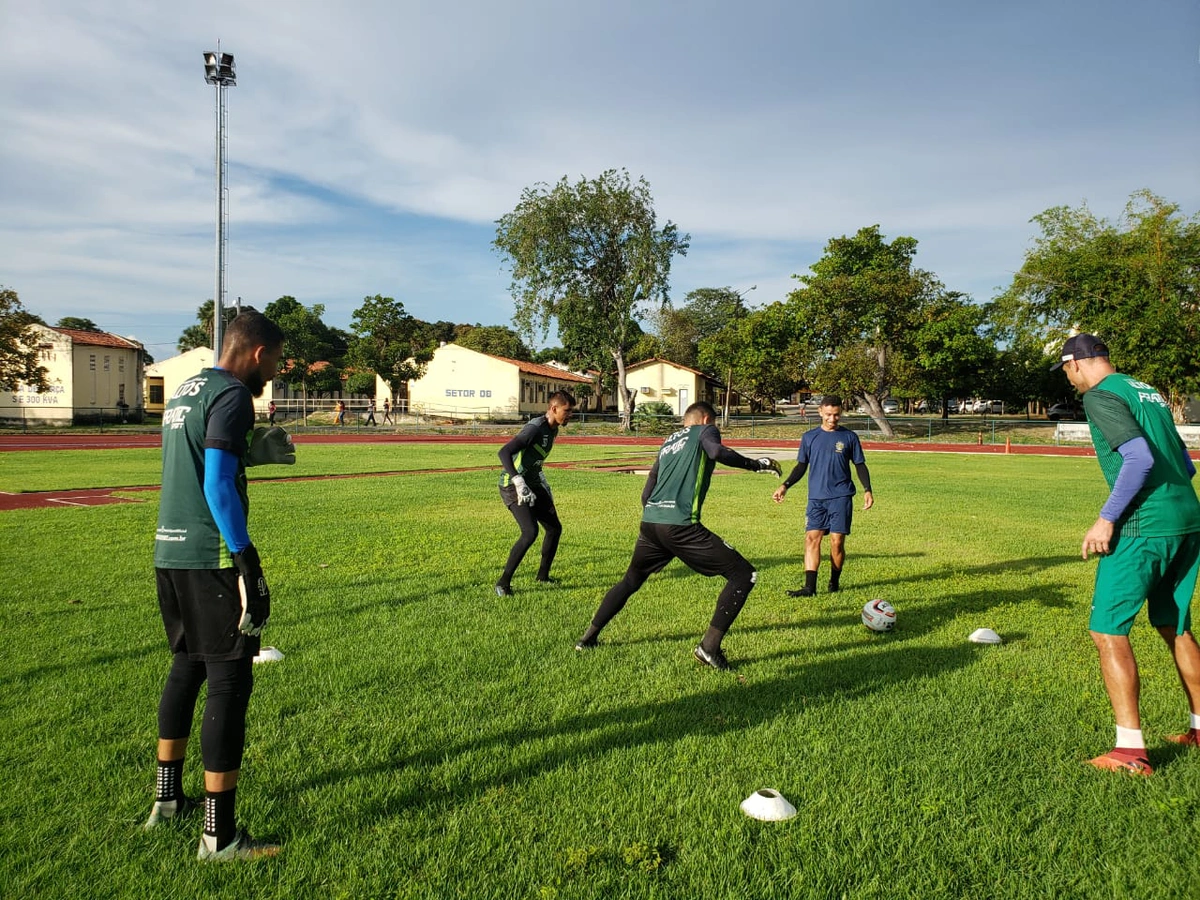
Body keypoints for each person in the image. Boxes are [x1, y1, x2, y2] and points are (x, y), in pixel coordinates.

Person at [144, 310, 284, 861]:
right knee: (228, 682)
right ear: (255, 353)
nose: (271, 374)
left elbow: (197, 459)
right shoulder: (232, 395)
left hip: (168, 550)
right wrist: (246, 558)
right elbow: (216, 481)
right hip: (211, 554)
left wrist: (251, 451)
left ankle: (167, 801)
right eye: (272, 361)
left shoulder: (186, 389)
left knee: (187, 666)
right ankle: (219, 837)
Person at [1054, 333, 1200, 775]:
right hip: (1187, 518)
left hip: (1144, 526)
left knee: (1108, 630)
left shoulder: (1100, 395)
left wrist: (1107, 518)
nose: (1068, 380)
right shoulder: (1147, 391)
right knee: (1174, 627)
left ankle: (1130, 752)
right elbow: (1185, 460)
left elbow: (1138, 459)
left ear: (1077, 363)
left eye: (1065, 371)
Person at [575, 401, 782, 670]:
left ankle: (587, 639)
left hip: (651, 522)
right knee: (744, 575)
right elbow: (716, 451)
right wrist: (756, 464)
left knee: (630, 581)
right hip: (680, 525)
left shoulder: (669, 441)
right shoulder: (705, 431)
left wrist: (658, 518)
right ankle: (709, 648)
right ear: (706, 418)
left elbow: (647, 489)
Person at [773, 395, 874, 596]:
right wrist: (785, 485)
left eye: (836, 415)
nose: (832, 419)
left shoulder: (849, 437)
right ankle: (809, 588)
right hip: (816, 498)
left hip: (841, 496)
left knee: (837, 543)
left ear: (841, 413)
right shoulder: (809, 437)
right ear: (820, 412)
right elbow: (801, 466)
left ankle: (834, 582)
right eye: (828, 414)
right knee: (812, 539)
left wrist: (867, 489)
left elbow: (860, 465)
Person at [495, 391, 577, 596]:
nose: (569, 416)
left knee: (554, 528)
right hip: (513, 486)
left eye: (571, 412)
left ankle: (543, 577)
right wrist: (517, 479)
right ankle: (503, 583)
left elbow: (534, 459)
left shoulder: (554, 429)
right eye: (567, 411)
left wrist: (540, 480)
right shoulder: (535, 428)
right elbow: (504, 452)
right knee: (530, 532)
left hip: (533, 483)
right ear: (554, 408)